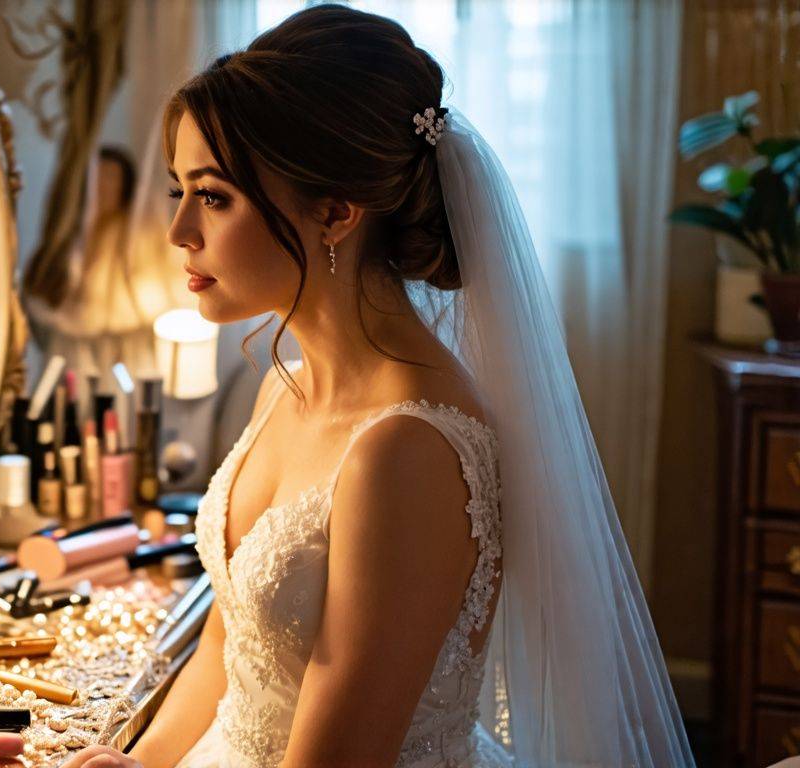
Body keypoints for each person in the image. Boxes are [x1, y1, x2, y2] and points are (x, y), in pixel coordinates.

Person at [62, 5, 693, 768]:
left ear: (333, 213)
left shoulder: (407, 451)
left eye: (215, 196)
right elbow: (233, 651)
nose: (180, 232)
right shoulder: (284, 389)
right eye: (179, 192)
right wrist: (142, 762)